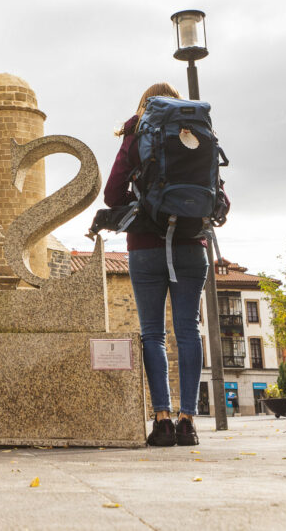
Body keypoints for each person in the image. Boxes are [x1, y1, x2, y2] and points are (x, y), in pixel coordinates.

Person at [103, 82, 216, 448]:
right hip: (191, 245)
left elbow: (112, 193)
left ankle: (163, 421)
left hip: (145, 247)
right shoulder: (198, 134)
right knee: (188, 329)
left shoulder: (138, 133)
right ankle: (189, 422)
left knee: (152, 333)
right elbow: (219, 193)